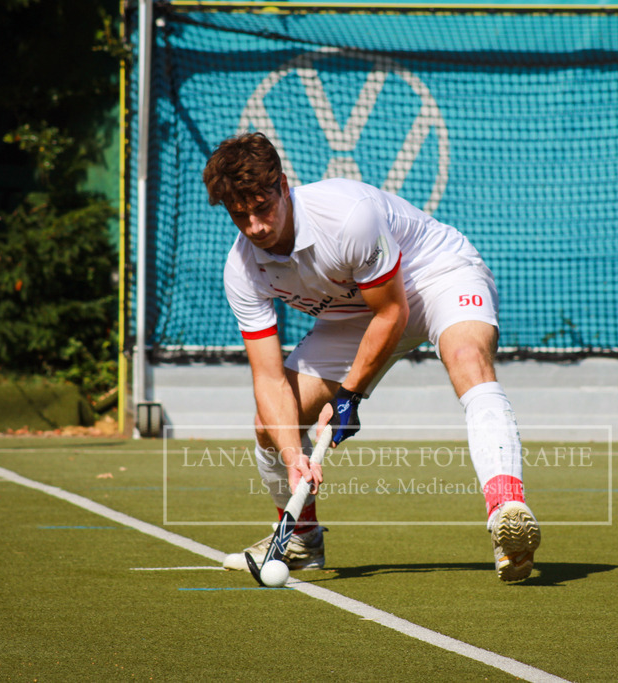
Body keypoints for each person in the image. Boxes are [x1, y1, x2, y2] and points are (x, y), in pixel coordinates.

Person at [202, 132, 540, 582]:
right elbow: (268, 380)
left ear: (283, 187)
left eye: (262, 208)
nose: (255, 227)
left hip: (435, 277)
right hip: (355, 314)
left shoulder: (346, 217)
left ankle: (506, 511)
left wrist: (348, 398)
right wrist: (291, 454)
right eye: (239, 215)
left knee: (467, 356)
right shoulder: (242, 269)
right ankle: (300, 539)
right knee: (270, 424)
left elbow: (393, 312)